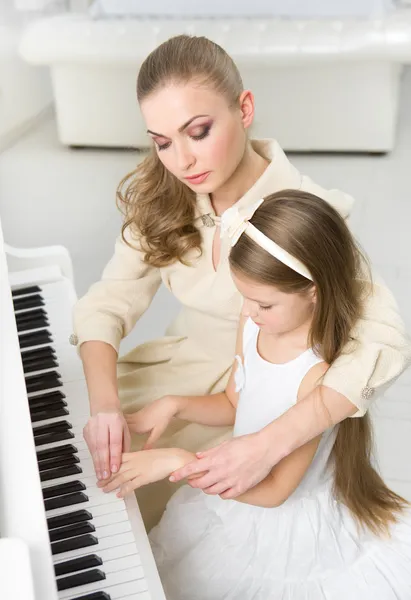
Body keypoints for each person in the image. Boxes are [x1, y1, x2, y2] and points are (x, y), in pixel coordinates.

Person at [72, 34, 411, 531]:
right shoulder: (166, 195)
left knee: (117, 516)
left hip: (258, 407)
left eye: (199, 131)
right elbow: (108, 302)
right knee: (66, 451)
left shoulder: (309, 210)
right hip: (181, 378)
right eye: (163, 142)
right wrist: (105, 407)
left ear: (245, 108)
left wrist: (269, 442)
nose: (182, 160)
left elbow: (383, 339)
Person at [99, 190, 411, 599]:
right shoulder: (254, 326)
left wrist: (182, 463)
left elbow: (277, 490)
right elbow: (235, 402)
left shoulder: (317, 376)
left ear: (314, 291)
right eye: (244, 297)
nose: (248, 312)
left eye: (263, 303)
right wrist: (177, 405)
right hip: (238, 494)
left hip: (279, 525)